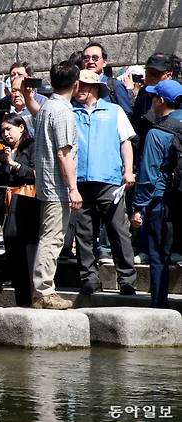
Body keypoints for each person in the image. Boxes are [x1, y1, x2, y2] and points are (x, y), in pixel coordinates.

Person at [71, 69, 137, 296]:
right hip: (80, 182)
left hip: (109, 180)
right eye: (77, 85)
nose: (79, 89)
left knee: (119, 231)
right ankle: (89, 278)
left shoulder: (114, 110)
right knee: (84, 234)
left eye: (84, 86)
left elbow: (125, 142)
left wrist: (128, 171)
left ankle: (127, 279)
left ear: (95, 89)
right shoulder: (70, 112)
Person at [31, 61, 81, 310]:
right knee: (52, 238)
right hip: (57, 186)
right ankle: (44, 291)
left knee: (49, 236)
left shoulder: (46, 107)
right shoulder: (61, 111)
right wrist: (73, 188)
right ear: (76, 84)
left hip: (46, 184)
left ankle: (42, 291)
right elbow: (64, 153)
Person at [131, 80, 182, 308]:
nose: (151, 101)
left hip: (161, 202)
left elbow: (148, 176)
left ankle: (159, 304)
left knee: (158, 254)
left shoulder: (156, 133)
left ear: (160, 101)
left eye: (153, 98)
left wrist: (138, 207)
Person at [0, 113, 39, 307]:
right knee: (12, 248)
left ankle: (34, 297)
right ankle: (22, 299)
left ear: (21, 127)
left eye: (9, 129)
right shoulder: (4, 152)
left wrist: (14, 164)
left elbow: (35, 174)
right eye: (2, 130)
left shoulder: (32, 147)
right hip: (9, 207)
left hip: (29, 201)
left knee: (29, 250)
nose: (5, 134)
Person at [81, 42, 133, 118]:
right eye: (86, 58)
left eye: (95, 58)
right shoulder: (77, 85)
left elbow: (127, 113)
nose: (90, 61)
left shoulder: (115, 85)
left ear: (104, 62)